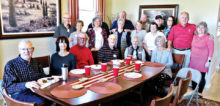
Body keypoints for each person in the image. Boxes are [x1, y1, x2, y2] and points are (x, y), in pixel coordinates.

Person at [2, 40, 46, 105]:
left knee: (53, 98)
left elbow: (42, 77)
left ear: (33, 49)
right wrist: (26, 84)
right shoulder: (10, 65)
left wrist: (51, 79)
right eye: (23, 49)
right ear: (19, 50)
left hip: (36, 91)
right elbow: (9, 88)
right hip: (19, 94)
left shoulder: (36, 63)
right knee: (41, 101)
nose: (26, 51)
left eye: (29, 48)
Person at [189, 22, 214, 93]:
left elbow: (211, 50)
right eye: (199, 27)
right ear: (197, 28)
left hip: (203, 61)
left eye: (202, 27)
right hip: (193, 60)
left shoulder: (209, 37)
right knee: (193, 75)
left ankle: (199, 93)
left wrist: (208, 61)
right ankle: (194, 91)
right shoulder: (194, 36)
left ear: (205, 29)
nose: (200, 29)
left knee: (201, 77)